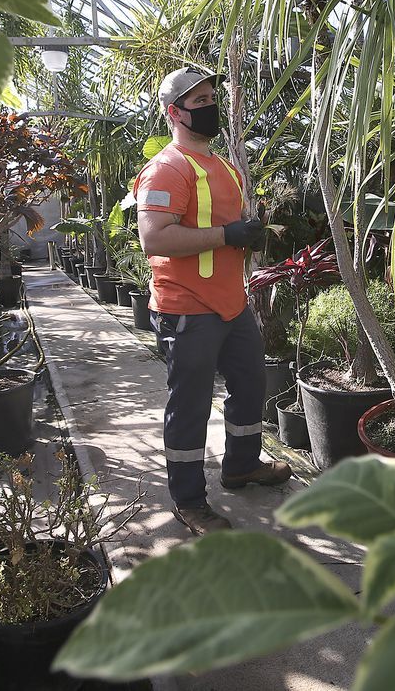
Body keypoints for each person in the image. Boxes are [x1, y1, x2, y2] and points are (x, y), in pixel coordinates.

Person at [132, 67, 292, 536]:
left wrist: (248, 234)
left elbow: (226, 226)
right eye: (198, 101)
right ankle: (189, 500)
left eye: (211, 98)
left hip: (231, 303)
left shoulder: (221, 166)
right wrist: (227, 234)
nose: (210, 106)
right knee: (191, 405)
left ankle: (241, 465)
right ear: (174, 113)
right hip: (186, 307)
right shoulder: (167, 168)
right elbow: (153, 238)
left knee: (251, 385)